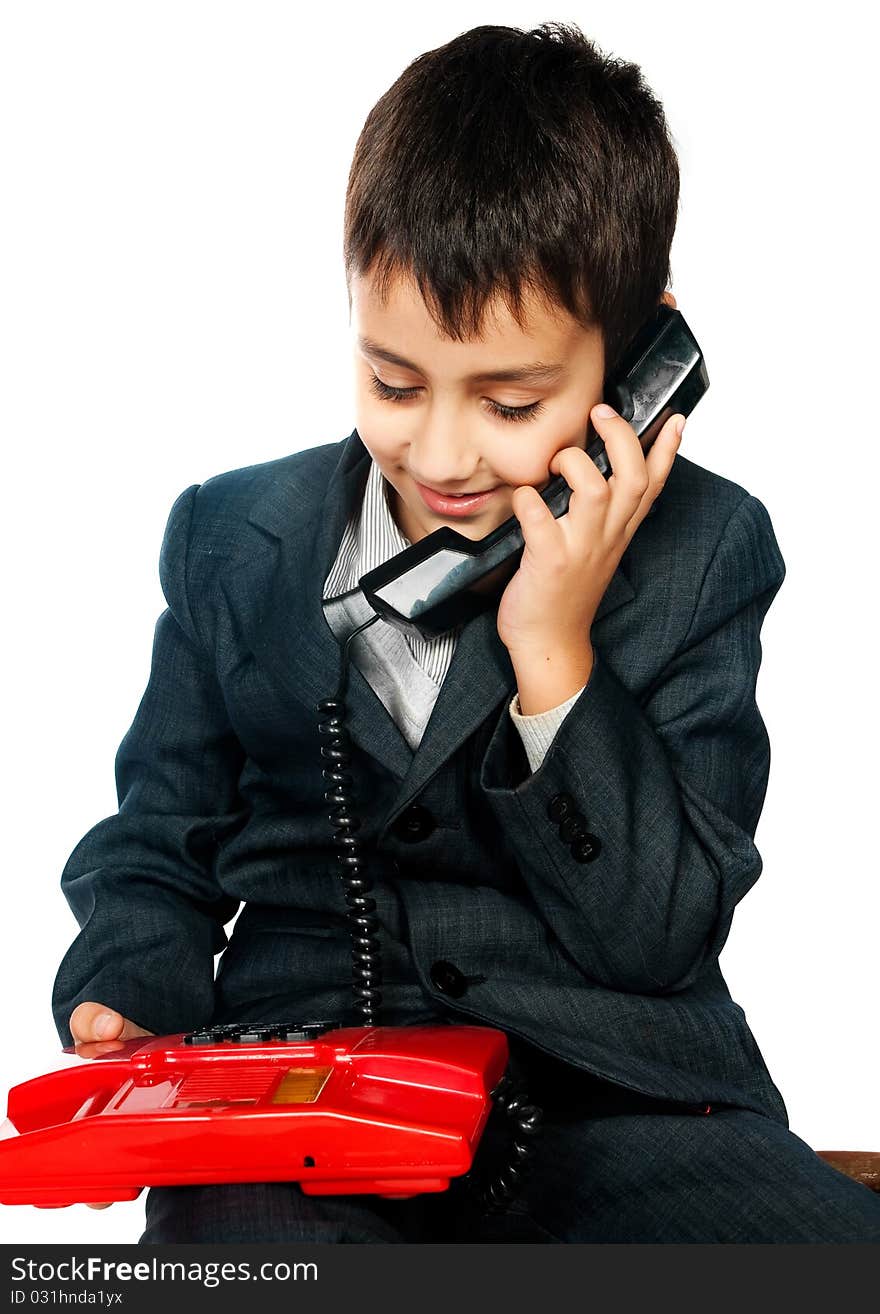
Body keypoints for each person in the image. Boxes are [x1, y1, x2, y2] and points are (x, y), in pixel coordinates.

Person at [53, 21, 880, 1243]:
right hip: (303, 1106)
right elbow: (154, 843)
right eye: (393, 383)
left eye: (508, 401)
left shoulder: (707, 551)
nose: (440, 455)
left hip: (612, 1100)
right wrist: (128, 982)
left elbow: (657, 935)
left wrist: (553, 648)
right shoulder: (232, 539)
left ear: (635, 361)